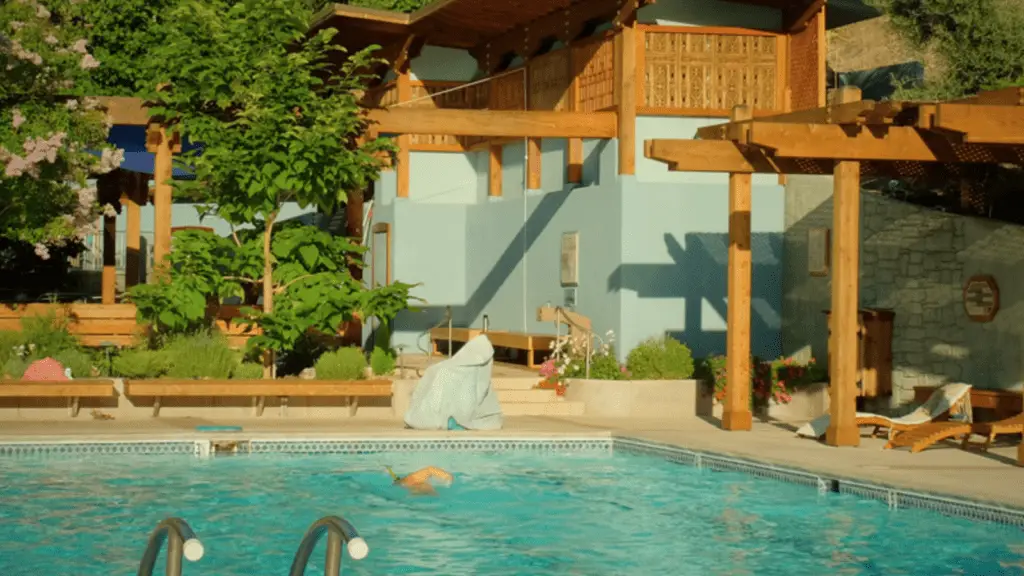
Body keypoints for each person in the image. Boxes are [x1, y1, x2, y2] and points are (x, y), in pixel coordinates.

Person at [386, 465, 454, 496]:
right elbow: (430, 469)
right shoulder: (415, 479)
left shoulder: (413, 479)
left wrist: (446, 476)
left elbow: (429, 469)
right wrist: (446, 476)